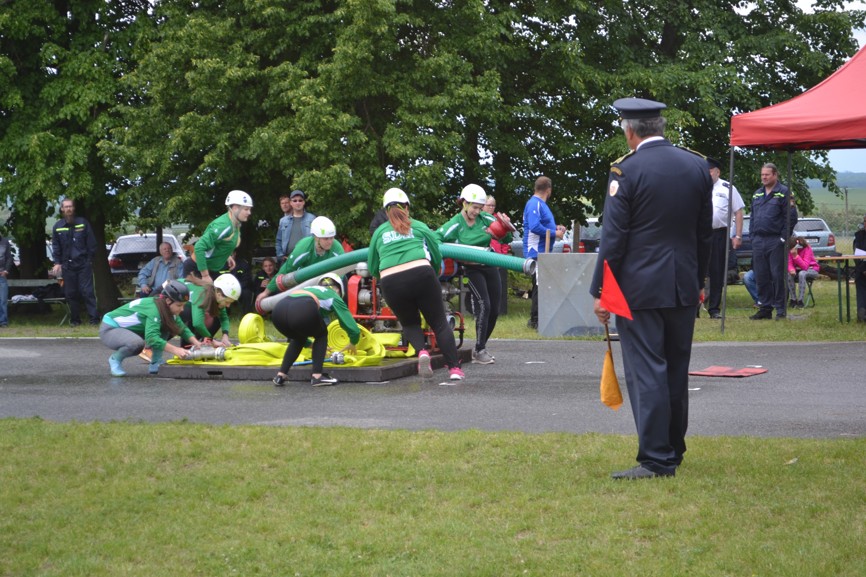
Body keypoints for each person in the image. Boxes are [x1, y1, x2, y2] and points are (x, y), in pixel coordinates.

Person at [590, 97, 712, 480]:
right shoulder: (696, 165)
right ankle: (673, 449)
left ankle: (657, 459)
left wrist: (600, 289)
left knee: (647, 372)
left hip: (639, 289)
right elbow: (704, 234)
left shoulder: (626, 171)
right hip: (683, 285)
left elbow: (614, 238)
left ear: (630, 131)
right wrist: (699, 282)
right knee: (675, 369)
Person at [369, 187, 464, 381]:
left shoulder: (379, 232)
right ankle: (454, 369)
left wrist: (385, 278)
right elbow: (436, 253)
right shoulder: (418, 226)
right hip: (421, 273)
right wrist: (433, 272)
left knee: (409, 322)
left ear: (386, 211)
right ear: (407, 207)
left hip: (391, 280)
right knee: (439, 322)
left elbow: (372, 266)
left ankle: (421, 352)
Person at [436, 184, 512, 364]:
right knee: (484, 305)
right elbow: (437, 238)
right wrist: (452, 252)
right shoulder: (455, 224)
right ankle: (479, 350)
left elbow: (507, 238)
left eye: (480, 208)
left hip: (490, 264)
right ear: (464, 203)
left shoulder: (486, 218)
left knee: (495, 309)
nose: (477, 212)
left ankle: (481, 346)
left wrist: (505, 227)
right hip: (471, 269)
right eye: (474, 207)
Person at [271, 273, 360, 387]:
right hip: (301, 308)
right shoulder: (333, 295)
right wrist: (353, 342)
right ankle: (317, 377)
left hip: (278, 312)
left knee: (298, 338)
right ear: (339, 289)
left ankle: (280, 376)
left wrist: (311, 344)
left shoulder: (311, 289)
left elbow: (298, 322)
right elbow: (351, 325)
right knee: (322, 334)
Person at [99, 280, 201, 376]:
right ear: (168, 301)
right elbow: (152, 338)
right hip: (110, 328)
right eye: (179, 305)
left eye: (183, 305)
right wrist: (176, 350)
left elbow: (181, 328)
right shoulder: (154, 311)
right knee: (136, 344)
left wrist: (197, 343)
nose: (182, 309)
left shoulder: (164, 307)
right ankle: (115, 359)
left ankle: (156, 363)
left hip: (130, 330)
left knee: (168, 326)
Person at [255, 216, 344, 310]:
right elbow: (285, 270)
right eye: (326, 239)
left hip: (326, 279)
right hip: (304, 281)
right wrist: (266, 292)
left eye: (332, 238)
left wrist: (337, 287)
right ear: (316, 238)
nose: (330, 242)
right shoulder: (302, 249)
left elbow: (343, 270)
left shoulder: (337, 248)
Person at [749, 163, 798, 320]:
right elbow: (752, 216)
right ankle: (765, 308)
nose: (764, 177)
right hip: (758, 240)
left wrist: (783, 238)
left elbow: (791, 218)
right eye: (762, 174)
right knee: (761, 276)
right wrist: (752, 236)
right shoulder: (757, 194)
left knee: (777, 275)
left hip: (775, 240)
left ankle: (780, 309)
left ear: (775, 175)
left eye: (767, 174)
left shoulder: (784, 192)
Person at [522, 176, 566, 329]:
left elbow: (542, 224)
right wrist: (555, 233)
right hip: (536, 251)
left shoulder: (540, 204)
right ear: (548, 190)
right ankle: (535, 320)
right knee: (539, 286)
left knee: (541, 285)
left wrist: (556, 228)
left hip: (542, 251)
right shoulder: (534, 204)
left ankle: (539, 318)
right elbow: (534, 226)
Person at [183, 190, 253, 283]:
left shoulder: (234, 223)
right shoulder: (224, 226)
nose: (249, 213)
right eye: (246, 209)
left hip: (211, 269)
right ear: (235, 208)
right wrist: (205, 275)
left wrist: (226, 256)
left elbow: (220, 243)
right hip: (197, 269)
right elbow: (199, 247)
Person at [705, 157, 745, 319]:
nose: (707, 174)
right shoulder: (697, 186)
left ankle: (714, 308)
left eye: (710, 171)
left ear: (717, 172)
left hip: (719, 234)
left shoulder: (728, 188)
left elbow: (738, 212)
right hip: (700, 234)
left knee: (716, 271)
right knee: (696, 270)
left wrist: (738, 235)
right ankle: (694, 308)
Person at [50, 197, 99, 326]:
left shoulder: (83, 223)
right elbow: (56, 247)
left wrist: (89, 260)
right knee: (71, 294)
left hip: (83, 264)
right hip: (67, 266)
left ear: (74, 208)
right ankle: (75, 320)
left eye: (70, 206)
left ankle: (94, 319)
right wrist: (57, 262)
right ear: (62, 209)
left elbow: (92, 244)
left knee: (87, 292)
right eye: (66, 207)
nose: (68, 209)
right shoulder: (58, 226)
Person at [179, 273, 240, 348]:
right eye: (227, 302)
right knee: (192, 315)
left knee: (216, 316)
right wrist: (211, 340)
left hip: (184, 304)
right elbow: (197, 323)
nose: (228, 305)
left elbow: (224, 318)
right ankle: (187, 346)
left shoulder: (216, 295)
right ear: (219, 294)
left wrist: (225, 335)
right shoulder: (202, 294)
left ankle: (200, 343)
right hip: (170, 301)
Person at [275, 189, 316, 264]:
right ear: (291, 203)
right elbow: (278, 240)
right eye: (295, 201)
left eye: (300, 200)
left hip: (307, 260)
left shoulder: (312, 218)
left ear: (304, 202)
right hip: (288, 260)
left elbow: (316, 239)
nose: (298, 203)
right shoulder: (283, 221)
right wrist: (281, 256)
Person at [787, 235, 819, 308]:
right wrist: (791, 269)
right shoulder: (790, 249)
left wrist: (795, 256)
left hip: (812, 269)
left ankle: (800, 300)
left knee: (802, 273)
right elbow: (789, 263)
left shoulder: (807, 248)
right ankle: (793, 299)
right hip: (798, 270)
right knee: (789, 274)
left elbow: (805, 266)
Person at [854, 215, 866, 322]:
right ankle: (862, 314)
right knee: (860, 279)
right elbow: (857, 255)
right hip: (862, 270)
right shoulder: (859, 236)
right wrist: (864, 269)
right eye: (865, 221)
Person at [0, 230, 12, 328]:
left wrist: (6, 270)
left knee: (3, 299)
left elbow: (9, 258)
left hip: (1, 275)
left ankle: (3, 321)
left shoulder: (5, 242)